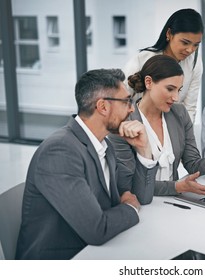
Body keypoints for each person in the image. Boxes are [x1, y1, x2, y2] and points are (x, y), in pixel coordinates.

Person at [15, 69, 158, 260]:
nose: (132, 109)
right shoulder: (60, 151)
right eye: (126, 102)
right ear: (103, 107)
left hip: (95, 251)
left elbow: (139, 196)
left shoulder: (104, 144)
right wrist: (130, 208)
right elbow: (97, 229)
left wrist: (143, 148)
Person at [109, 55, 205, 196]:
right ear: (149, 82)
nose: (176, 97)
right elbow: (128, 185)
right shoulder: (124, 122)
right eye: (170, 89)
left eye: (179, 90)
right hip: (141, 203)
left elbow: (194, 165)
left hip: (175, 201)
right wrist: (176, 187)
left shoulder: (179, 113)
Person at [122, 8, 203, 123]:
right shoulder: (141, 60)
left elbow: (189, 108)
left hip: (171, 129)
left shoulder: (195, 62)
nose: (190, 50)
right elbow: (119, 102)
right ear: (169, 34)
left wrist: (185, 137)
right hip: (137, 126)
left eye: (196, 45)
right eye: (185, 42)